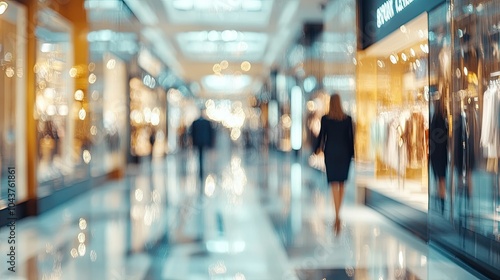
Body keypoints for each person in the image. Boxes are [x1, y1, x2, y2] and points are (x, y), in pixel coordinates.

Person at [314, 93, 354, 234]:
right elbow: (351, 138)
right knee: (341, 183)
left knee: (333, 184)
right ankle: (338, 213)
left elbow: (322, 136)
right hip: (344, 153)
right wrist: (353, 154)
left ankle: (337, 216)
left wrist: (316, 149)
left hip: (331, 153)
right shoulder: (347, 119)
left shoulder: (326, 119)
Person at [429, 100, 448, 214]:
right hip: (440, 155)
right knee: (441, 179)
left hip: (436, 154)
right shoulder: (440, 120)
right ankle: (441, 202)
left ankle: (440, 202)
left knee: (439, 178)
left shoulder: (435, 120)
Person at [190, 111, 215, 180]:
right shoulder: (206, 122)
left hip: (198, 141)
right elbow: (211, 132)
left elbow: (192, 133)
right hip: (204, 140)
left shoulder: (196, 122)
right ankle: (202, 167)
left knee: (200, 154)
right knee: (202, 154)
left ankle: (201, 166)